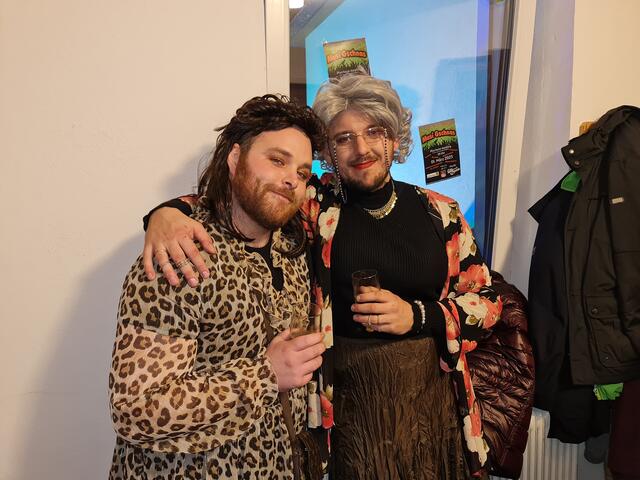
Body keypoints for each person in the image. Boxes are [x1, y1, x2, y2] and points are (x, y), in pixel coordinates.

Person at [143, 74, 503, 479]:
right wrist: (166, 214)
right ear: (328, 151)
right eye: (343, 138)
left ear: (394, 137)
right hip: (349, 408)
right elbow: (240, 200)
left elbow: (488, 304)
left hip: (432, 401)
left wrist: (418, 316)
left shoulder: (441, 213)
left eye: (374, 132)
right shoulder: (315, 206)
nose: (361, 148)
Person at [108, 94, 328, 479]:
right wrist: (265, 374)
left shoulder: (292, 251)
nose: (292, 179)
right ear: (235, 158)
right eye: (277, 160)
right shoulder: (180, 254)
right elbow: (135, 410)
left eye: (303, 172)